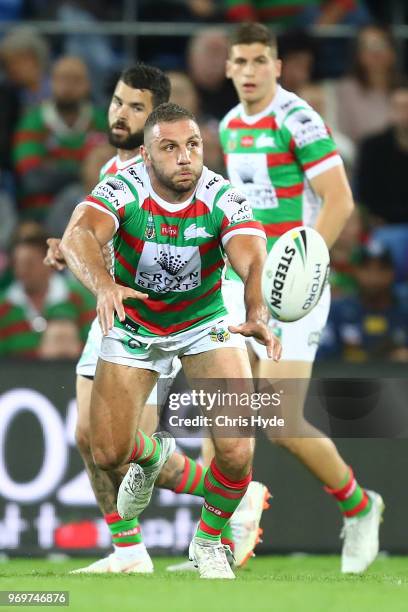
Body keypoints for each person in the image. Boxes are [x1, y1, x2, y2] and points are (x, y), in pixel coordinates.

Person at [45, 69, 271, 575]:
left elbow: (251, 256)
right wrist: (104, 285)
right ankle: (152, 464)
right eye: (170, 149)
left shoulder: (222, 195)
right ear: (147, 156)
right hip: (134, 321)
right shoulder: (121, 184)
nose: (185, 157)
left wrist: (256, 310)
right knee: (106, 449)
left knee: (235, 450)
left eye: (192, 145)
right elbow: (80, 233)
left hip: (202, 320)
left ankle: (208, 541)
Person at [217, 22, 383, 574]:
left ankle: (361, 508)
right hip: (243, 284)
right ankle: (220, 534)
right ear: (227, 68)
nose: (248, 72)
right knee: (225, 404)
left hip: (294, 289)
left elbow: (339, 199)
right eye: (239, 62)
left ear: (278, 67)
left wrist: (304, 269)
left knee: (283, 422)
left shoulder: (298, 119)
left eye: (259, 61)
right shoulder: (229, 125)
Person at [13, 56, 107, 220]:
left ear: (88, 84)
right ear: (51, 82)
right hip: (38, 214)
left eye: (76, 79)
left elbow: (107, 174)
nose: (68, 86)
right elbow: (33, 179)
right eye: (62, 78)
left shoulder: (101, 121)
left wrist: (54, 168)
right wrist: (82, 172)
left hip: (92, 210)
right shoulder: (33, 120)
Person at [0, 229, 93, 356]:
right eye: (18, 264)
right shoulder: (3, 307)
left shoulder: (79, 297)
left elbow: (96, 347)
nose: (22, 270)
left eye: (29, 263)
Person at [319, 242, 408, 362]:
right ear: (355, 271)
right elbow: (322, 360)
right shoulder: (337, 311)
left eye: (382, 269)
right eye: (366, 268)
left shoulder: (403, 312)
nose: (374, 276)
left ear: (392, 273)